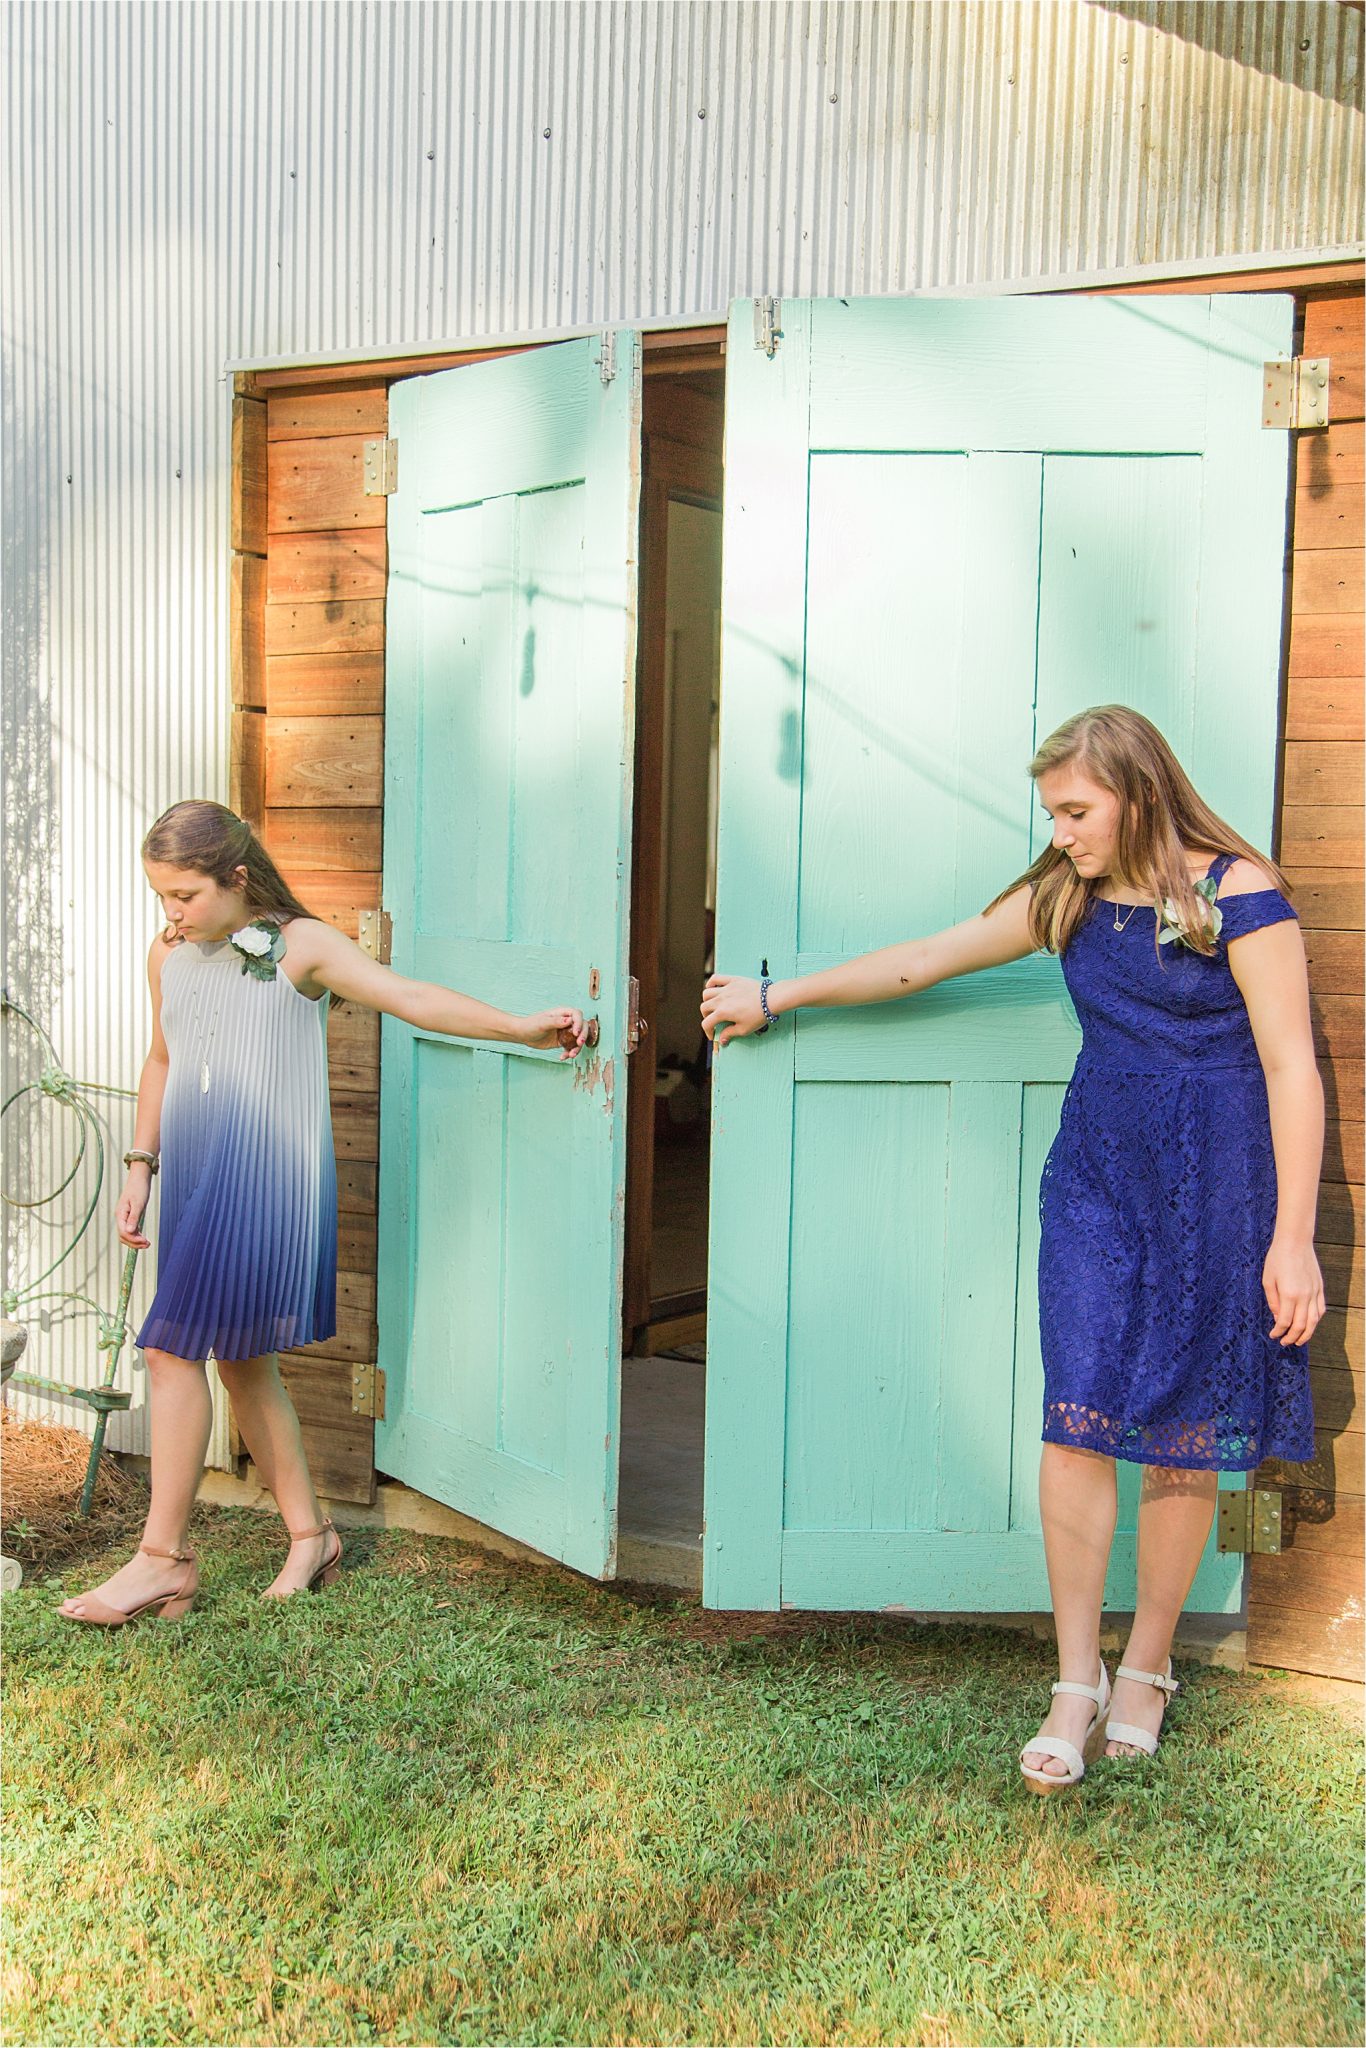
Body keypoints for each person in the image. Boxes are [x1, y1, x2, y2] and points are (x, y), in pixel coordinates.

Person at [700, 705, 1321, 1789]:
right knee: (1075, 1412)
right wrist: (775, 995)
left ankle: (1147, 1666)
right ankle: (1073, 1680)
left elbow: (1289, 1067)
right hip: (1095, 1183)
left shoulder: (1240, 893)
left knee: (1181, 1430)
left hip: (1217, 1186)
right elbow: (927, 958)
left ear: (1138, 792)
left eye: (1077, 809)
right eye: (1053, 812)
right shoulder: (1065, 894)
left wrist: (1293, 1235)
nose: (1063, 830)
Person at [59, 800, 587, 1625]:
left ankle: (161, 1561)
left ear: (238, 878)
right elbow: (163, 1057)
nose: (171, 914)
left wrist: (519, 1029)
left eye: (186, 896)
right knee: (239, 1363)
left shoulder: (299, 946)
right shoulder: (169, 954)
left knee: (168, 1351)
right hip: (195, 1169)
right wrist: (140, 1162)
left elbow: (408, 996)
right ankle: (313, 1537)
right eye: (160, 897)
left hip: (264, 1177)